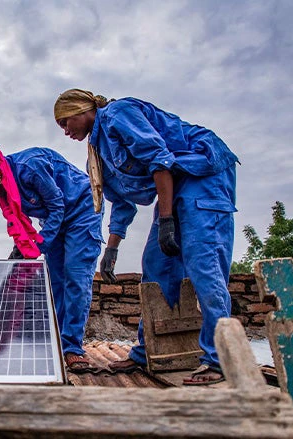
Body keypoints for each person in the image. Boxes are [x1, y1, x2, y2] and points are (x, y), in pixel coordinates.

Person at [53, 89, 239, 385]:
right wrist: (111, 251)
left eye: (65, 122)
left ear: (82, 110)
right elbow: (123, 203)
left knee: (202, 263)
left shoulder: (117, 115)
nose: (65, 131)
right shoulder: (98, 152)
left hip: (203, 172)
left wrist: (166, 220)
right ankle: (145, 351)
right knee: (156, 264)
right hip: (176, 183)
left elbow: (159, 160)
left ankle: (219, 358)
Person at [0, 143, 103, 371]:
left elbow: (57, 205)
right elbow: (20, 223)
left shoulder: (31, 167)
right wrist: (22, 249)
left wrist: (40, 245)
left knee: (75, 276)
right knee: (55, 281)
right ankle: (57, 343)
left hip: (81, 210)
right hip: (54, 218)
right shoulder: (7, 191)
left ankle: (72, 348)